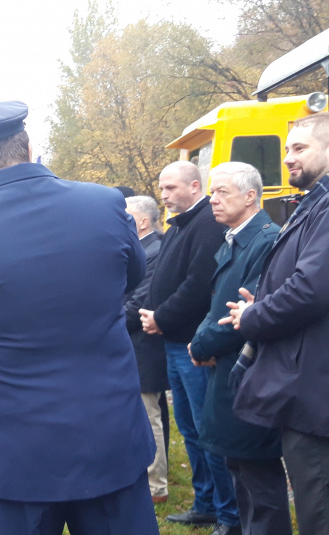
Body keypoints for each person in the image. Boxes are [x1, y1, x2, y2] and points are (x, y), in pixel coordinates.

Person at [0, 101, 157, 534]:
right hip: (107, 435)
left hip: (12, 452)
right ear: (29, 147)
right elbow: (133, 275)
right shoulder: (106, 204)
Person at [221, 112, 329, 535]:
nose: (287, 158)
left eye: (299, 148)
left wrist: (254, 316)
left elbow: (310, 290)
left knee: (318, 506)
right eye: (286, 149)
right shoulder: (314, 203)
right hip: (307, 383)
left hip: (316, 392)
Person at [187, 163, 289, 535]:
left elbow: (245, 313)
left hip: (250, 377)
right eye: (212, 192)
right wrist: (201, 340)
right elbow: (217, 304)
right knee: (241, 475)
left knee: (259, 482)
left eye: (222, 192)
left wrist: (202, 343)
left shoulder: (265, 241)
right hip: (230, 376)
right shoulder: (235, 237)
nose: (212, 200)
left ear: (250, 197)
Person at [139, 161, 238, 532]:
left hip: (193, 346)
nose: (163, 196)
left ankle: (228, 512)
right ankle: (205, 501)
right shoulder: (181, 224)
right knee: (190, 429)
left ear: (195, 186)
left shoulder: (207, 224)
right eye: (161, 189)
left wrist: (160, 317)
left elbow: (197, 286)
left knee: (206, 430)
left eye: (170, 189)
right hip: (174, 344)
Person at [123, 195, 170, 505]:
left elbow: (139, 302)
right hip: (137, 344)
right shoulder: (143, 249)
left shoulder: (154, 251)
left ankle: (155, 485)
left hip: (144, 345)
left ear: (141, 221)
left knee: (148, 414)